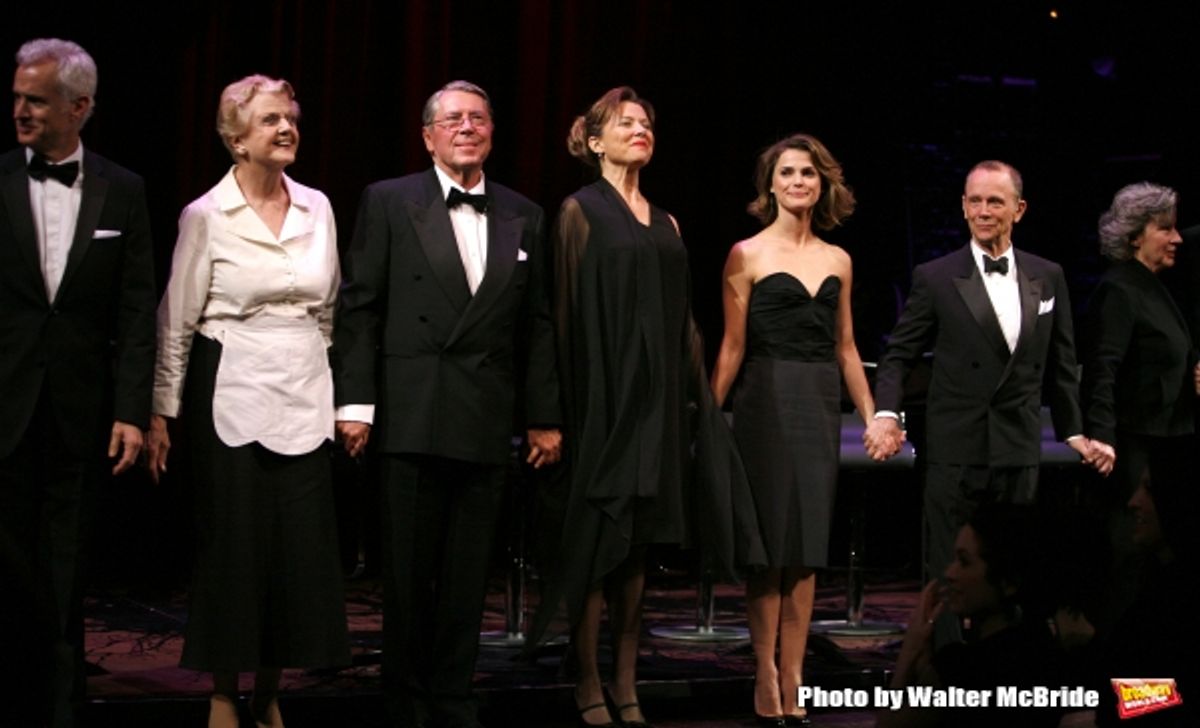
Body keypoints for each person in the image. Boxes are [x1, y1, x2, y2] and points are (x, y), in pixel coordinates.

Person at [332, 80, 561, 728]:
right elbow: (361, 308)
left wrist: (544, 416)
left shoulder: (524, 213)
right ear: (428, 135)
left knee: (467, 578)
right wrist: (356, 403)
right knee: (407, 577)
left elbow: (538, 323)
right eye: (453, 118)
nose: (467, 126)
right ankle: (405, 702)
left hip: (485, 414)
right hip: (411, 412)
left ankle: (454, 699)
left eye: (479, 118)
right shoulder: (388, 201)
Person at [146, 75, 348, 728]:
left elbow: (330, 309)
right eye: (269, 121)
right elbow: (176, 319)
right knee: (235, 549)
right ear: (237, 139)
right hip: (230, 388)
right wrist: (162, 412)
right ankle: (225, 692)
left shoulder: (318, 206)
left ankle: (269, 690)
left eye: (290, 117)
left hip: (303, 392)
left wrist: (329, 385)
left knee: (296, 552)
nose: (286, 128)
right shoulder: (208, 214)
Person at [864, 160, 1102, 644]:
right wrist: (887, 413)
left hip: (1017, 449)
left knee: (1017, 569)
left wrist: (1074, 431)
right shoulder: (936, 276)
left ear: (1019, 209)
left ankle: (1012, 674)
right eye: (975, 200)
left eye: (995, 201)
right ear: (963, 207)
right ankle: (947, 677)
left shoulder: (1047, 275)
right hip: (956, 450)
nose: (984, 210)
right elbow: (898, 355)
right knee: (948, 573)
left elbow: (1062, 362)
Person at [0, 38, 156, 726]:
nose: (20, 111)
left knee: (67, 566)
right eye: (17, 97)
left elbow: (135, 309)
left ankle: (62, 704)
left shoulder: (124, 190)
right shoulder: (0, 177)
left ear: (80, 106)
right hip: (3, 404)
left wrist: (132, 410)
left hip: (80, 409)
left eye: (35, 99)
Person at [710, 133, 873, 727]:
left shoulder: (838, 260)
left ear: (821, 183)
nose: (799, 181)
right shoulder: (745, 254)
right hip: (765, 402)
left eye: (808, 172)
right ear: (770, 185)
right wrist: (708, 416)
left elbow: (848, 348)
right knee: (769, 549)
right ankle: (764, 670)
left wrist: (874, 414)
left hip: (817, 403)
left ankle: (795, 671)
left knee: (805, 549)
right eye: (787, 172)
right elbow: (732, 346)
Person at [550, 85, 698, 728]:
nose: (640, 130)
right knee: (596, 541)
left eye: (646, 123)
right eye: (625, 123)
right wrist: (557, 411)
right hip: (599, 401)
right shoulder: (579, 211)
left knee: (637, 548)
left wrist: (694, 395)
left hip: (655, 406)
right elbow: (561, 318)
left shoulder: (666, 222)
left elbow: (683, 318)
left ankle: (626, 682)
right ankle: (586, 682)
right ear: (594, 139)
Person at [1081, 182, 1199, 628]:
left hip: (1166, 444)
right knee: (1124, 557)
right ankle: (1116, 666)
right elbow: (1102, 371)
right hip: (1131, 451)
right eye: (1165, 229)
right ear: (1135, 236)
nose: (1177, 238)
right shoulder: (1120, 290)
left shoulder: (1155, 287)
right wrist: (1103, 439)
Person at [879, 505, 1069, 728]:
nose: (949, 573)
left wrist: (909, 651)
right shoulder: (1052, 653)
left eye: (964, 562)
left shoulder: (961, 667)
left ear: (1009, 581)